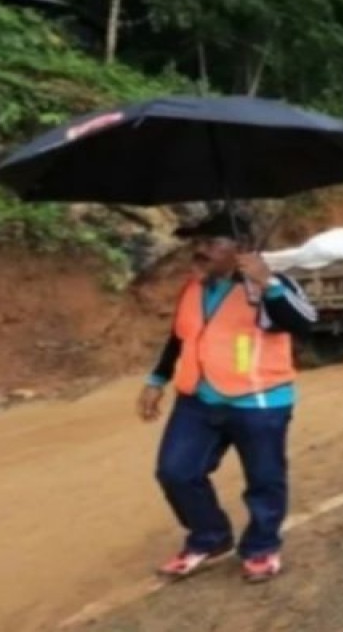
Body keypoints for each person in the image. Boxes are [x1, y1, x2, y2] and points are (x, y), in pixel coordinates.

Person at [136, 211, 316, 583]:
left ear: (242, 248)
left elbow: (304, 323)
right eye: (196, 244)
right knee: (176, 471)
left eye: (211, 243)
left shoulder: (269, 284)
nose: (199, 251)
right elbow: (181, 336)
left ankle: (262, 547)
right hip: (198, 400)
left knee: (264, 479)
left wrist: (268, 284)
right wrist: (157, 378)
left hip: (259, 400)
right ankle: (210, 536)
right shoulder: (194, 287)